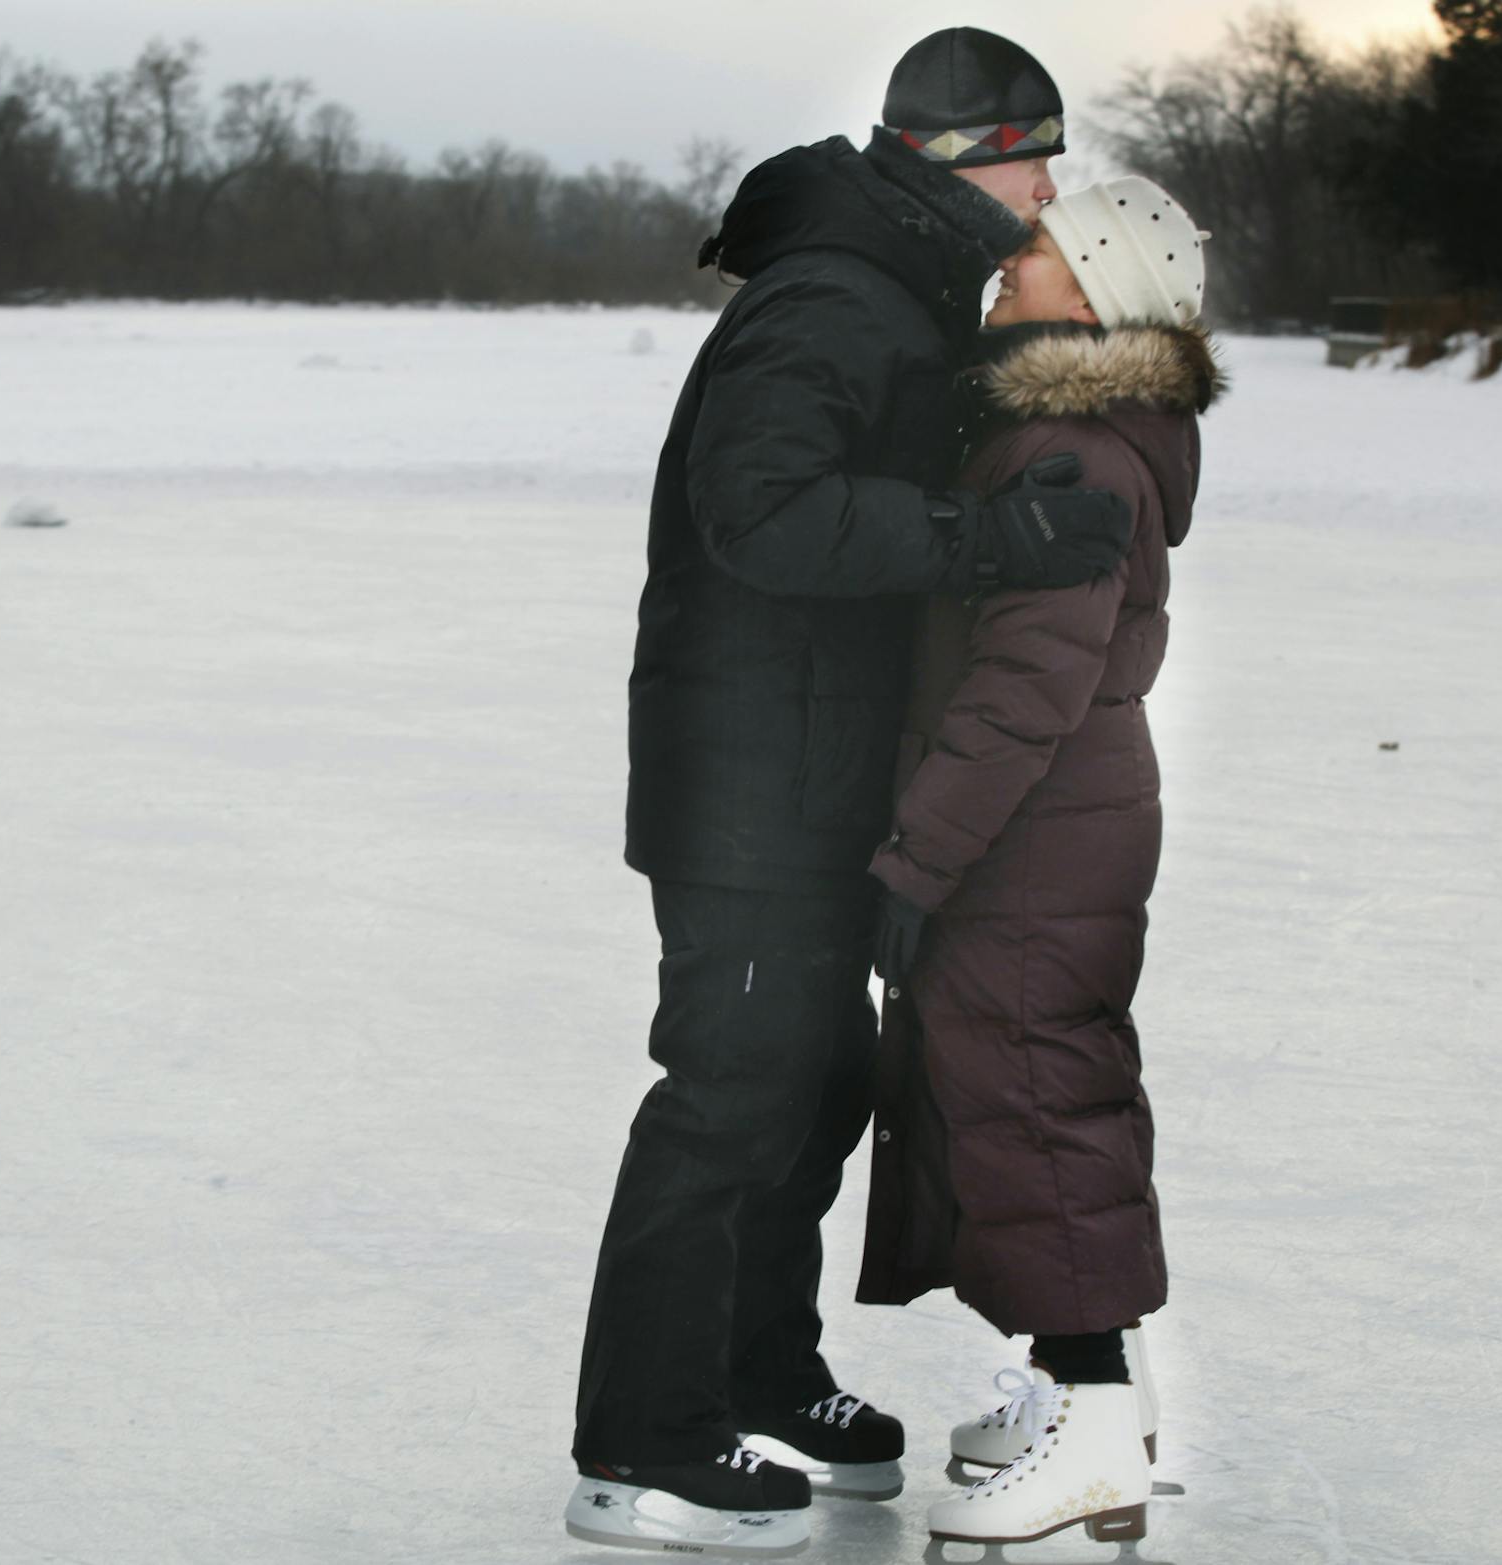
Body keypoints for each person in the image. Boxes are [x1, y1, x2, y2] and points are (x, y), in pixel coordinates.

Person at [565, 29, 1138, 1557]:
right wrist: (985, 542)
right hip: (750, 785)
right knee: (729, 1097)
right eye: (1033, 155)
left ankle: (758, 1370)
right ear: (961, 161)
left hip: (817, 781)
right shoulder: (834, 295)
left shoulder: (898, 284)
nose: (1049, 187)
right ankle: (641, 1439)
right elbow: (760, 514)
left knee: (813, 1089)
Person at [857, 176, 1223, 1549]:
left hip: (1029, 830)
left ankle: (1091, 1429)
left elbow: (1023, 692)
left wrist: (913, 864)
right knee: (1049, 1093)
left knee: (1034, 1104)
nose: (1012, 264)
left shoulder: (1067, 448)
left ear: (1105, 293)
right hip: (1065, 821)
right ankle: (1088, 1399)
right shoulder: (1081, 428)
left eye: (1048, 253)